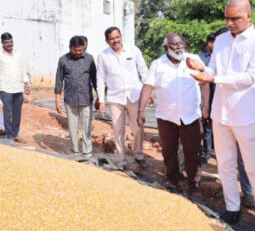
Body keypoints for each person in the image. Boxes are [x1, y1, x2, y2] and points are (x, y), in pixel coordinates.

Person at [189, 0, 255, 231]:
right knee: (225, 164)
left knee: (254, 167)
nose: (229, 23)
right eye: (227, 18)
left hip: (246, 114)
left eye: (235, 18)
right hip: (221, 113)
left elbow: (250, 77)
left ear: (249, 16)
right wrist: (200, 69)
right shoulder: (221, 40)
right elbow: (213, 69)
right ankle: (233, 208)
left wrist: (213, 79)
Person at [139, 33, 207, 196]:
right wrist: (141, 110)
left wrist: (206, 107)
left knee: (193, 151)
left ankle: (194, 183)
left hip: (190, 115)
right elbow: (148, 86)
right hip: (166, 117)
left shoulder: (193, 60)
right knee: (169, 151)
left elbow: (205, 82)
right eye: (174, 45)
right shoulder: (157, 64)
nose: (179, 47)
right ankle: (172, 178)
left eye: (181, 44)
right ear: (166, 47)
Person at [96, 26, 149, 169]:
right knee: (118, 130)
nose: (115, 40)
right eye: (111, 39)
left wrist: (147, 92)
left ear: (121, 36)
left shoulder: (133, 50)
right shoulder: (103, 56)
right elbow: (100, 78)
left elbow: (143, 71)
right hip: (115, 98)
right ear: (107, 41)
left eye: (117, 37)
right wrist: (101, 100)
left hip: (134, 95)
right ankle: (121, 159)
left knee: (138, 127)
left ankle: (138, 155)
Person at [54, 36, 97, 157]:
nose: (78, 53)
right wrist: (57, 100)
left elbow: (95, 79)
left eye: (80, 50)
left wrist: (100, 97)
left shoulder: (89, 59)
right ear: (70, 47)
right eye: (75, 50)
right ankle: (74, 151)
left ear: (84, 47)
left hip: (86, 98)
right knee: (72, 128)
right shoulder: (63, 60)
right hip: (70, 99)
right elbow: (59, 80)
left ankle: (87, 152)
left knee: (87, 127)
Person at [0, 32, 30, 143]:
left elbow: (23, 69)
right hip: (5, 89)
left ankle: (15, 134)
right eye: (6, 42)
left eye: (11, 41)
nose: (9, 44)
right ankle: (9, 136)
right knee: (8, 113)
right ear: (2, 43)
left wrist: (26, 84)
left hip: (18, 87)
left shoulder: (19, 53)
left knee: (17, 113)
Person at [197, 32, 216, 163]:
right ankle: (207, 151)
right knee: (207, 122)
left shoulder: (219, 55)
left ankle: (215, 149)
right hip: (205, 93)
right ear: (210, 43)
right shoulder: (199, 58)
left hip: (218, 93)